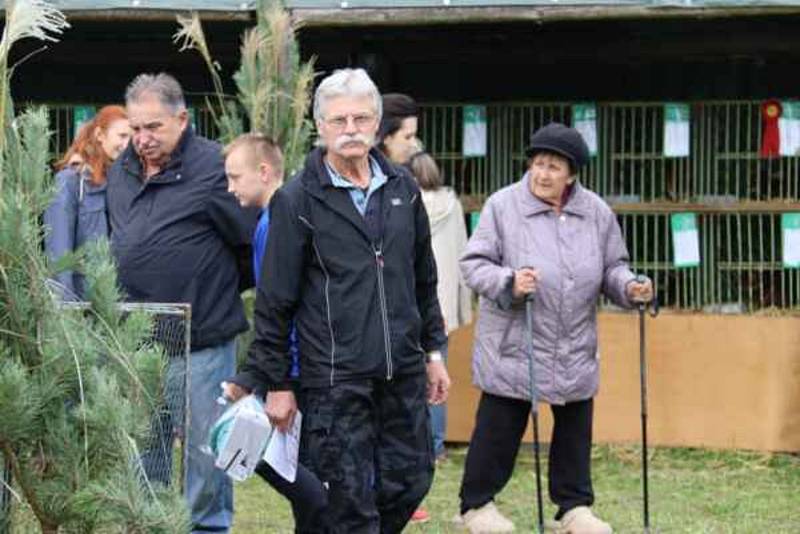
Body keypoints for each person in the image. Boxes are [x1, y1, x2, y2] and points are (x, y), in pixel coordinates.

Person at [238, 68, 450, 533]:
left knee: (410, 481)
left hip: (402, 372)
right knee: (347, 502)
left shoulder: (402, 189)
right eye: (338, 120)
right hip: (335, 380)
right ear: (321, 127)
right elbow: (274, 301)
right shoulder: (297, 200)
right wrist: (276, 381)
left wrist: (433, 351)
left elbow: (422, 279)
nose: (350, 129)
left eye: (360, 118)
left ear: (377, 125)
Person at [456, 123, 653, 534]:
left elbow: (612, 266)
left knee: (575, 430)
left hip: (573, 341)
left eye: (554, 166)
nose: (543, 174)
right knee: (500, 427)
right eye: (538, 163)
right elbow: (473, 264)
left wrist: (630, 286)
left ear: (573, 174)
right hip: (516, 339)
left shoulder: (595, 212)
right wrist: (510, 281)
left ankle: (574, 508)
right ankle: (476, 506)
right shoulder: (503, 206)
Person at [106, 73, 256, 534]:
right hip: (139, 342)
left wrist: (208, 288)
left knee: (206, 452)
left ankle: (207, 529)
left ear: (182, 118)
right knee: (145, 448)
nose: (143, 139)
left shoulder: (216, 167)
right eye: (135, 129)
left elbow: (251, 242)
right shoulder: (122, 170)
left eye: (154, 127)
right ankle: (149, 527)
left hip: (202, 342)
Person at [222, 133, 328, 533]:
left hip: (294, 367)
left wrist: (281, 373)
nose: (230, 188)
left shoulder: (275, 224)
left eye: (235, 177)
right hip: (290, 364)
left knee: (291, 475)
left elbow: (279, 304)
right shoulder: (275, 218)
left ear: (264, 172)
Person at [407, 151, 472, 464]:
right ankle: (435, 447)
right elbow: (462, 254)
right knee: (437, 376)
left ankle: (412, 445)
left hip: (409, 301)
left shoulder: (402, 201)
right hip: (441, 304)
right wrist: (462, 307)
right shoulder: (453, 205)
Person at [44, 105, 130, 300]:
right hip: (84, 306)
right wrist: (66, 312)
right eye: (122, 136)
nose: (128, 144)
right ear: (100, 135)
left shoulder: (123, 181)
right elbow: (59, 256)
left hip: (119, 306)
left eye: (132, 138)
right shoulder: (70, 181)